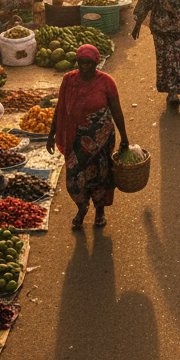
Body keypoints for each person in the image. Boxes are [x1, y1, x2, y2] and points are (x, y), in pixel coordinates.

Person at [46, 43, 129, 230]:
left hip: (101, 139)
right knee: (74, 179)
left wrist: (124, 136)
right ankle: (81, 208)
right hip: (75, 138)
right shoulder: (69, 80)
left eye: (88, 63)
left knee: (101, 176)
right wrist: (52, 134)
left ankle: (100, 211)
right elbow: (60, 108)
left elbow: (117, 111)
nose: (84, 66)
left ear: (95, 63)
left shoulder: (106, 82)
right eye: (81, 62)